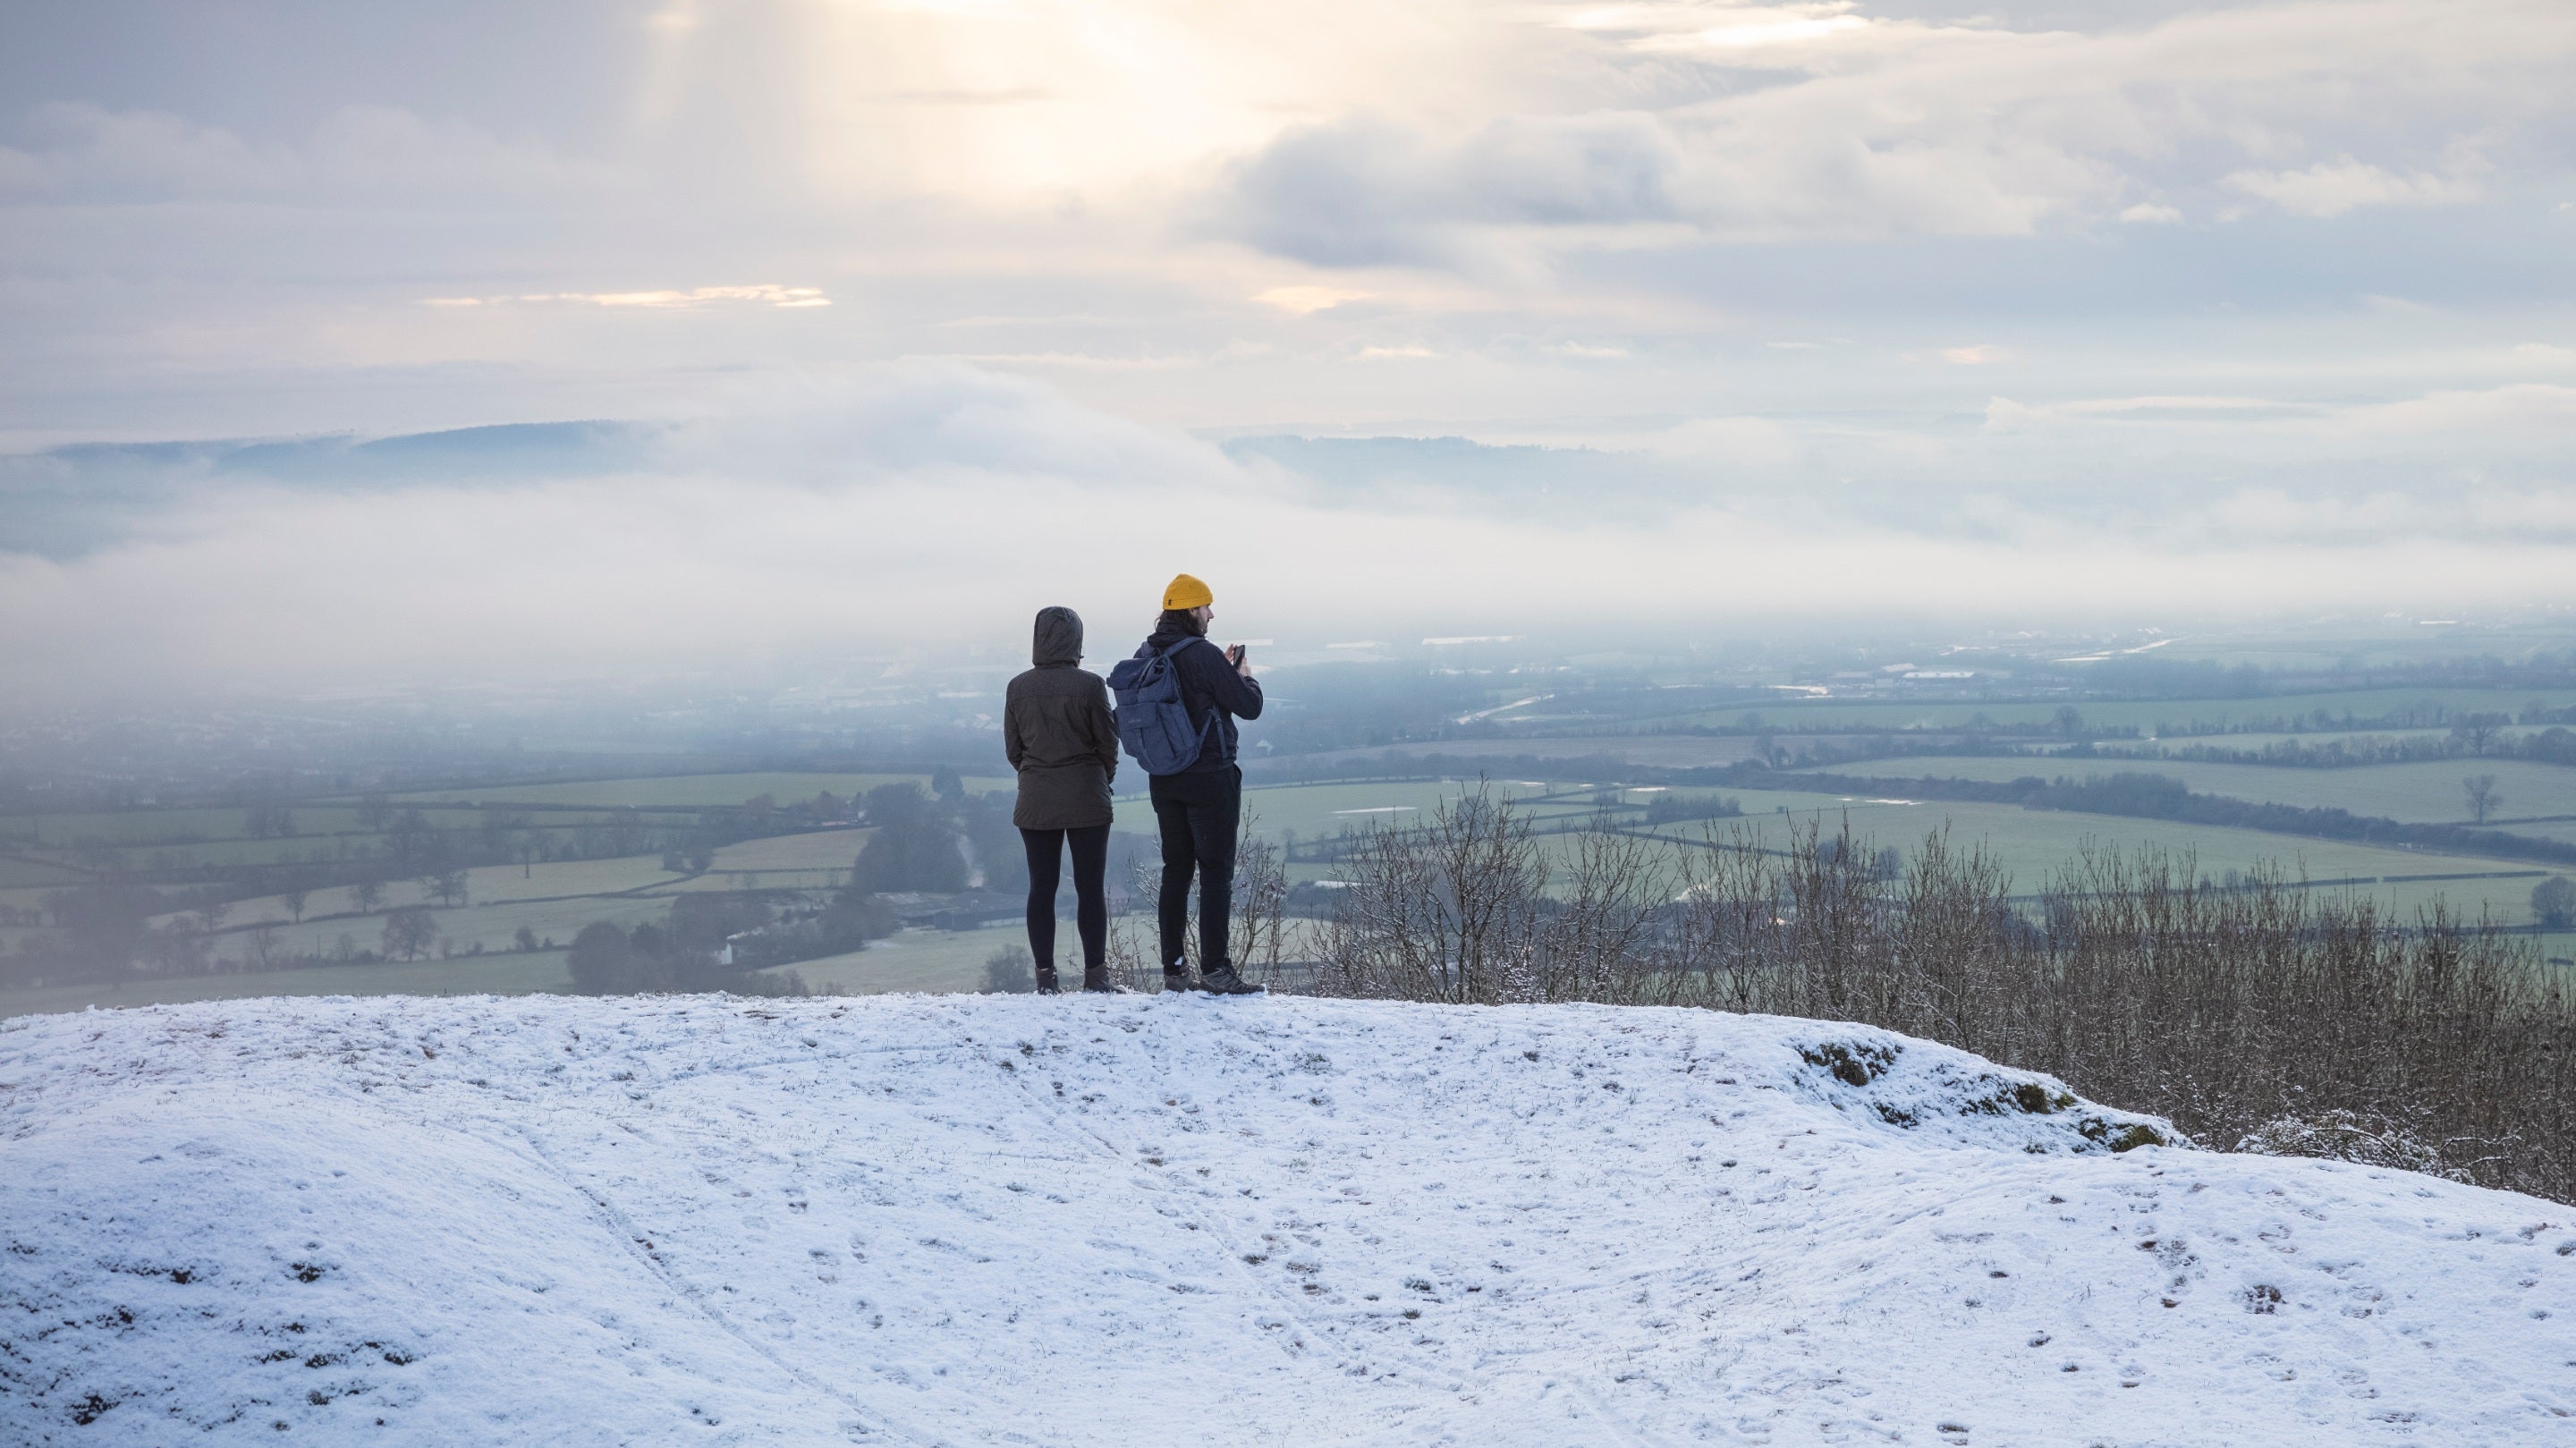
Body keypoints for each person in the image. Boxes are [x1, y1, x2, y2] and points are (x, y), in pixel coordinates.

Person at [1130, 573, 1265, 995]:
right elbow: (1249, 706)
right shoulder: (1203, 654)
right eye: (1206, 607)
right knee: (1216, 872)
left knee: (1176, 871)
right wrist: (1244, 674)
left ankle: (1174, 970)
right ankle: (1217, 971)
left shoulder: (1147, 652)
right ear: (1191, 610)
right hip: (1210, 778)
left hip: (1164, 778)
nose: (1211, 614)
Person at [1003, 605, 1121, 993]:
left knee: (1042, 888)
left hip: (1036, 800)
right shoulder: (1090, 686)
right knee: (1090, 888)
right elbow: (1107, 742)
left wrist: (1036, 774)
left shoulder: (1018, 687)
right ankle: (1096, 977)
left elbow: (1013, 750)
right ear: (1077, 640)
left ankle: (1046, 979)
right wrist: (1103, 778)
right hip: (1088, 796)